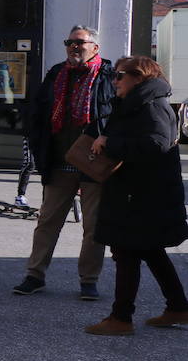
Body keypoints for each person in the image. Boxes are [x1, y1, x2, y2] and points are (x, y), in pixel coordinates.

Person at [80, 57, 188, 334]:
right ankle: (178, 307)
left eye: (120, 76)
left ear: (139, 77)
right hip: (139, 192)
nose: (114, 81)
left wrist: (111, 143)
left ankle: (121, 318)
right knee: (150, 251)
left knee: (126, 252)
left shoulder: (151, 106)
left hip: (142, 195)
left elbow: (157, 144)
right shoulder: (138, 104)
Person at [13, 26, 116, 300]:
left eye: (79, 42)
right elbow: (39, 112)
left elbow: (116, 114)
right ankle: (35, 275)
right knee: (47, 221)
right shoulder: (56, 74)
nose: (73, 46)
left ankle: (88, 280)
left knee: (93, 227)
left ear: (95, 47)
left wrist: (105, 134)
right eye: (69, 42)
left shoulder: (109, 76)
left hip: (93, 162)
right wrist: (38, 145)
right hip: (59, 161)